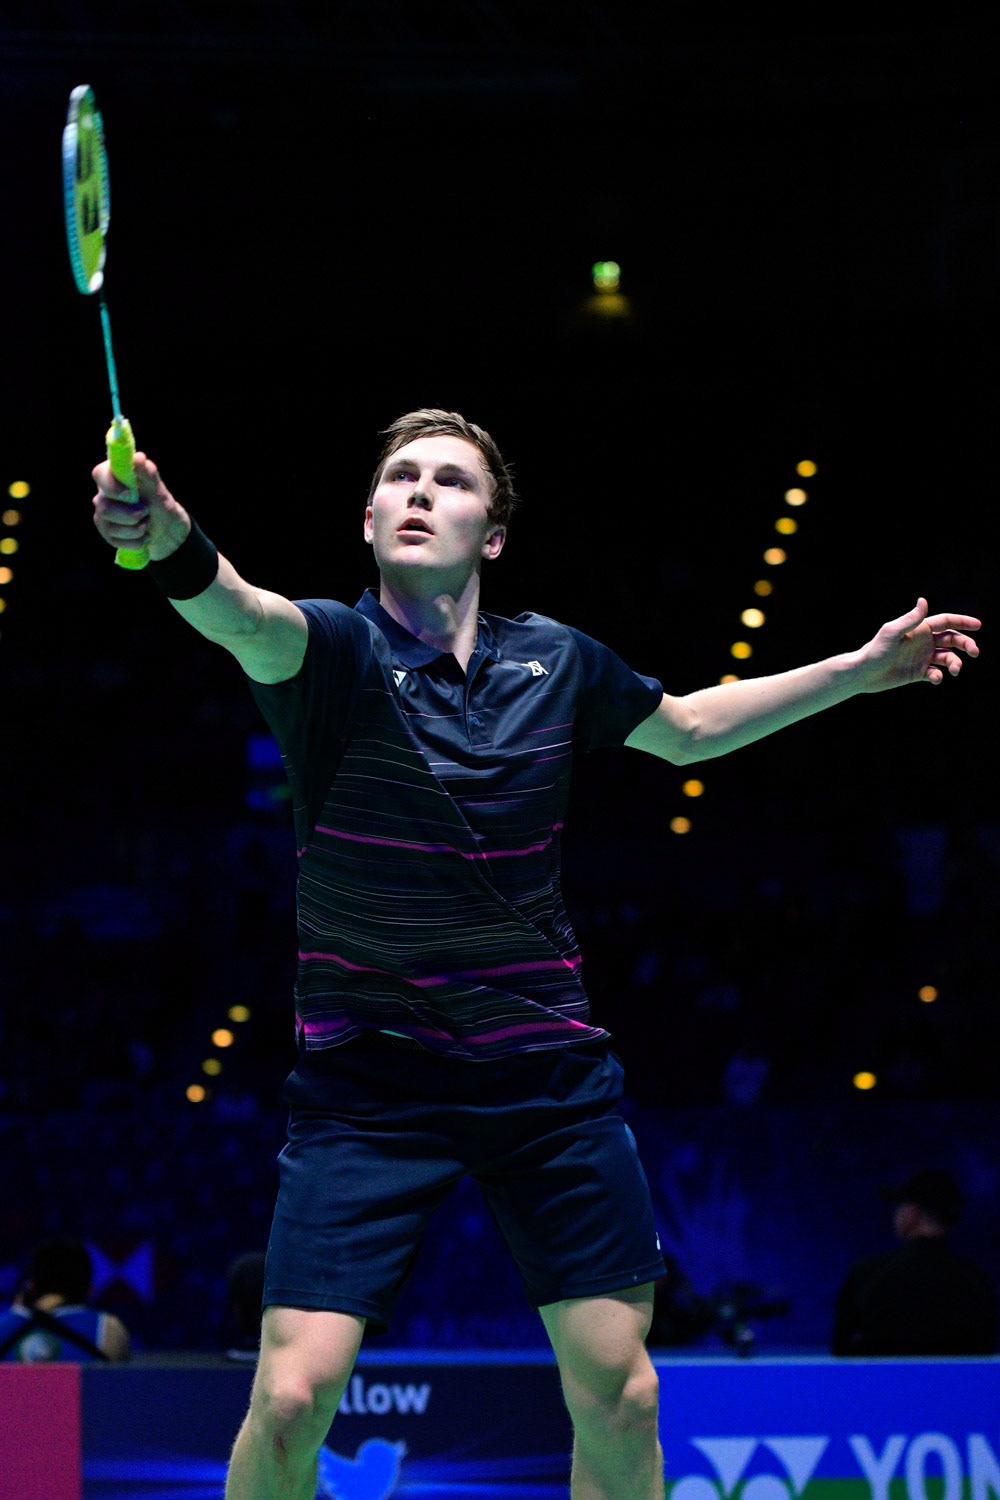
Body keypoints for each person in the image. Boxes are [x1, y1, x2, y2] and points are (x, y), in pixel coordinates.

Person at [91, 409, 981, 1500]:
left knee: (625, 1392)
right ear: (367, 521)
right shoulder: (329, 652)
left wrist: (859, 669)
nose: (420, 492)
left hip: (544, 1080)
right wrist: (171, 532)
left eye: (450, 481)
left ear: (492, 532)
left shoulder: (556, 661)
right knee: (287, 1399)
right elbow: (239, 614)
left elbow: (691, 728)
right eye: (400, 478)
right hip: (369, 1085)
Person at [832, 1168, 997, 1356]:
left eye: (898, 1206)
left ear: (912, 1213)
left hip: (883, 1385)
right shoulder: (977, 1282)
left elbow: (842, 1352)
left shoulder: (869, 1275)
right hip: (958, 1386)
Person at [0, 1236, 131, 1363]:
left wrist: (11, 1319)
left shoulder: (3, 1325)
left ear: (30, 1286)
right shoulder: (108, 1328)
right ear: (90, 1289)